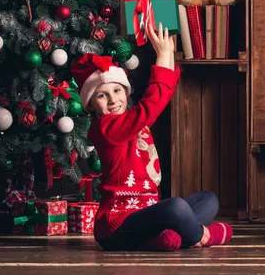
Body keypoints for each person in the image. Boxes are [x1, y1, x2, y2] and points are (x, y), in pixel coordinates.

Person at [71, 23, 232, 251]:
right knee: (176, 207)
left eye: (117, 91)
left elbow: (156, 100)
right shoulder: (106, 128)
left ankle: (165, 237)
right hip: (118, 226)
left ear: (126, 93)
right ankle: (201, 236)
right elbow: (151, 106)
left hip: (148, 215)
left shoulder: (133, 122)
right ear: (91, 105)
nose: (112, 99)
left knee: (208, 199)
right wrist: (163, 56)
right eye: (101, 95)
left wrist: (167, 56)